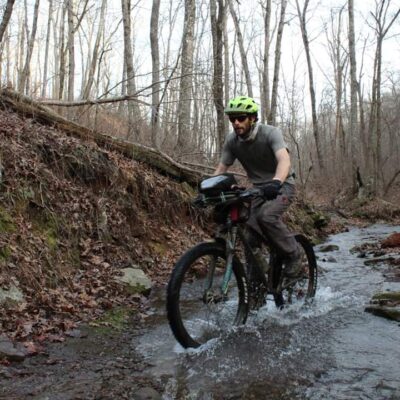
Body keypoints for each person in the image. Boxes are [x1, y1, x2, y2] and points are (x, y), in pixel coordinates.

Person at [214, 95, 302, 280]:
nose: (236, 123)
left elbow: (284, 160)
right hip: (258, 189)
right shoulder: (232, 141)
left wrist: (276, 182)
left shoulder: (270, 133)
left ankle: (294, 254)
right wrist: (207, 188)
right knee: (250, 234)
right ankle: (257, 283)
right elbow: (221, 169)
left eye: (241, 118)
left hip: (283, 185)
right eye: (232, 119)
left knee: (266, 216)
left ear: (252, 118)